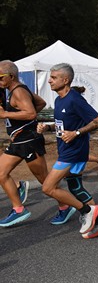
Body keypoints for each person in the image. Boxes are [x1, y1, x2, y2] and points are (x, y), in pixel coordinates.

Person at [37, 63, 98, 238]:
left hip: (74, 152)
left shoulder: (75, 99)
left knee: (48, 188)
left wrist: (76, 133)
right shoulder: (58, 99)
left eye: (53, 78)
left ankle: (86, 211)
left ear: (65, 80)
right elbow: (62, 126)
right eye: (50, 77)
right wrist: (48, 129)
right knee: (75, 187)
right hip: (66, 150)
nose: (49, 81)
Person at [0, 61, 50, 227]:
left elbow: (30, 113)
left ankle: (74, 206)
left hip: (29, 141)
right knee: (1, 172)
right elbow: (41, 103)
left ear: (11, 77)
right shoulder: (14, 90)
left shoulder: (19, 91)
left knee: (46, 182)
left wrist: (6, 114)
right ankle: (19, 209)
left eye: (0, 77)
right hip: (19, 140)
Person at [72, 86, 98, 172]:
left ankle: (72, 173)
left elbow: (97, 121)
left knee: (78, 154)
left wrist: (78, 132)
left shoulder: (80, 104)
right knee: (75, 154)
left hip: (79, 134)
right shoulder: (69, 104)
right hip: (70, 134)